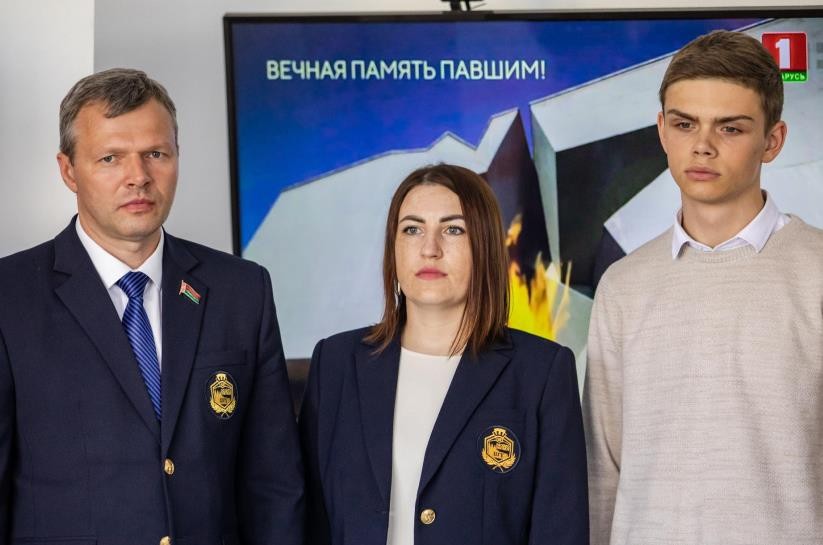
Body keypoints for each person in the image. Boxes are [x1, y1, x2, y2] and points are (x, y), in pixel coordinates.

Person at [0, 69, 303, 544]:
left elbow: (274, 483)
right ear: (68, 170)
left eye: (156, 154)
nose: (138, 177)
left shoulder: (242, 290)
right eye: (110, 158)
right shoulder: (10, 296)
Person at [584, 30, 823, 544]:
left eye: (730, 128)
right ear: (662, 131)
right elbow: (602, 474)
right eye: (684, 123)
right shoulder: (622, 286)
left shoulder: (817, 274)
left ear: (773, 141)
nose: (702, 146)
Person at [299, 163, 588, 545]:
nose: (429, 249)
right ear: (393, 249)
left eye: (453, 230)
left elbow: (560, 530)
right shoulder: (335, 363)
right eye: (412, 229)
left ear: (484, 246)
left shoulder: (541, 372)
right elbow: (307, 519)